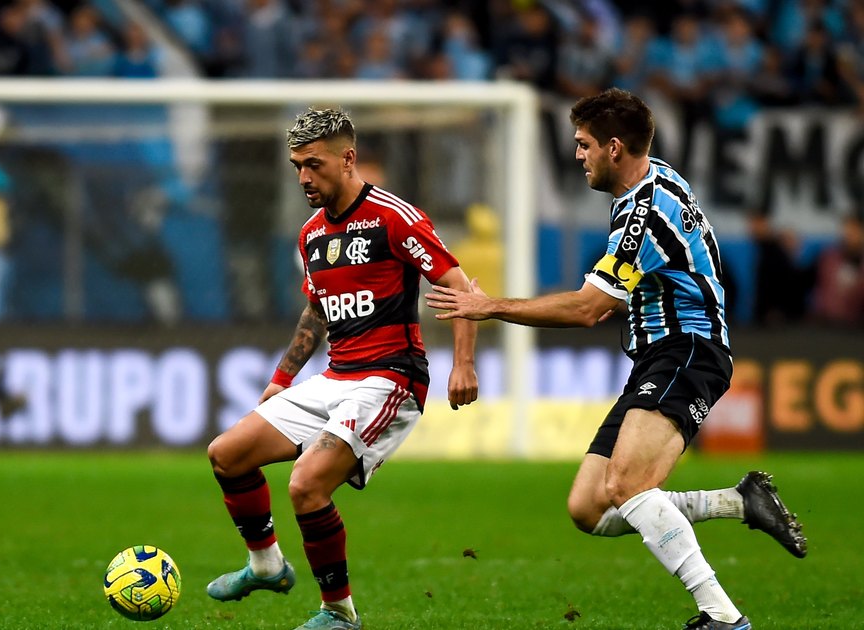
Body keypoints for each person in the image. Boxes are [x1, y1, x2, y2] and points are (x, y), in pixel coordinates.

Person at [425, 88, 806, 630]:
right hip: (657, 356)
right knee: (590, 507)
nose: (577, 155)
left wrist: (491, 306)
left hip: (688, 349)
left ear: (614, 147)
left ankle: (722, 616)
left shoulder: (642, 214)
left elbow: (587, 310)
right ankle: (739, 502)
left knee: (627, 485)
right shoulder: (656, 179)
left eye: (583, 145)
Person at [205, 108, 479, 630]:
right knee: (227, 454)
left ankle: (339, 614)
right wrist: (280, 381)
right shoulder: (310, 234)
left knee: (307, 485)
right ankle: (266, 566)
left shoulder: (395, 217)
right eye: (296, 167)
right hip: (336, 377)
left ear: (348, 159)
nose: (304, 177)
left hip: (391, 377)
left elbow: (460, 287)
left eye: (314, 164)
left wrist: (463, 363)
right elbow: (317, 310)